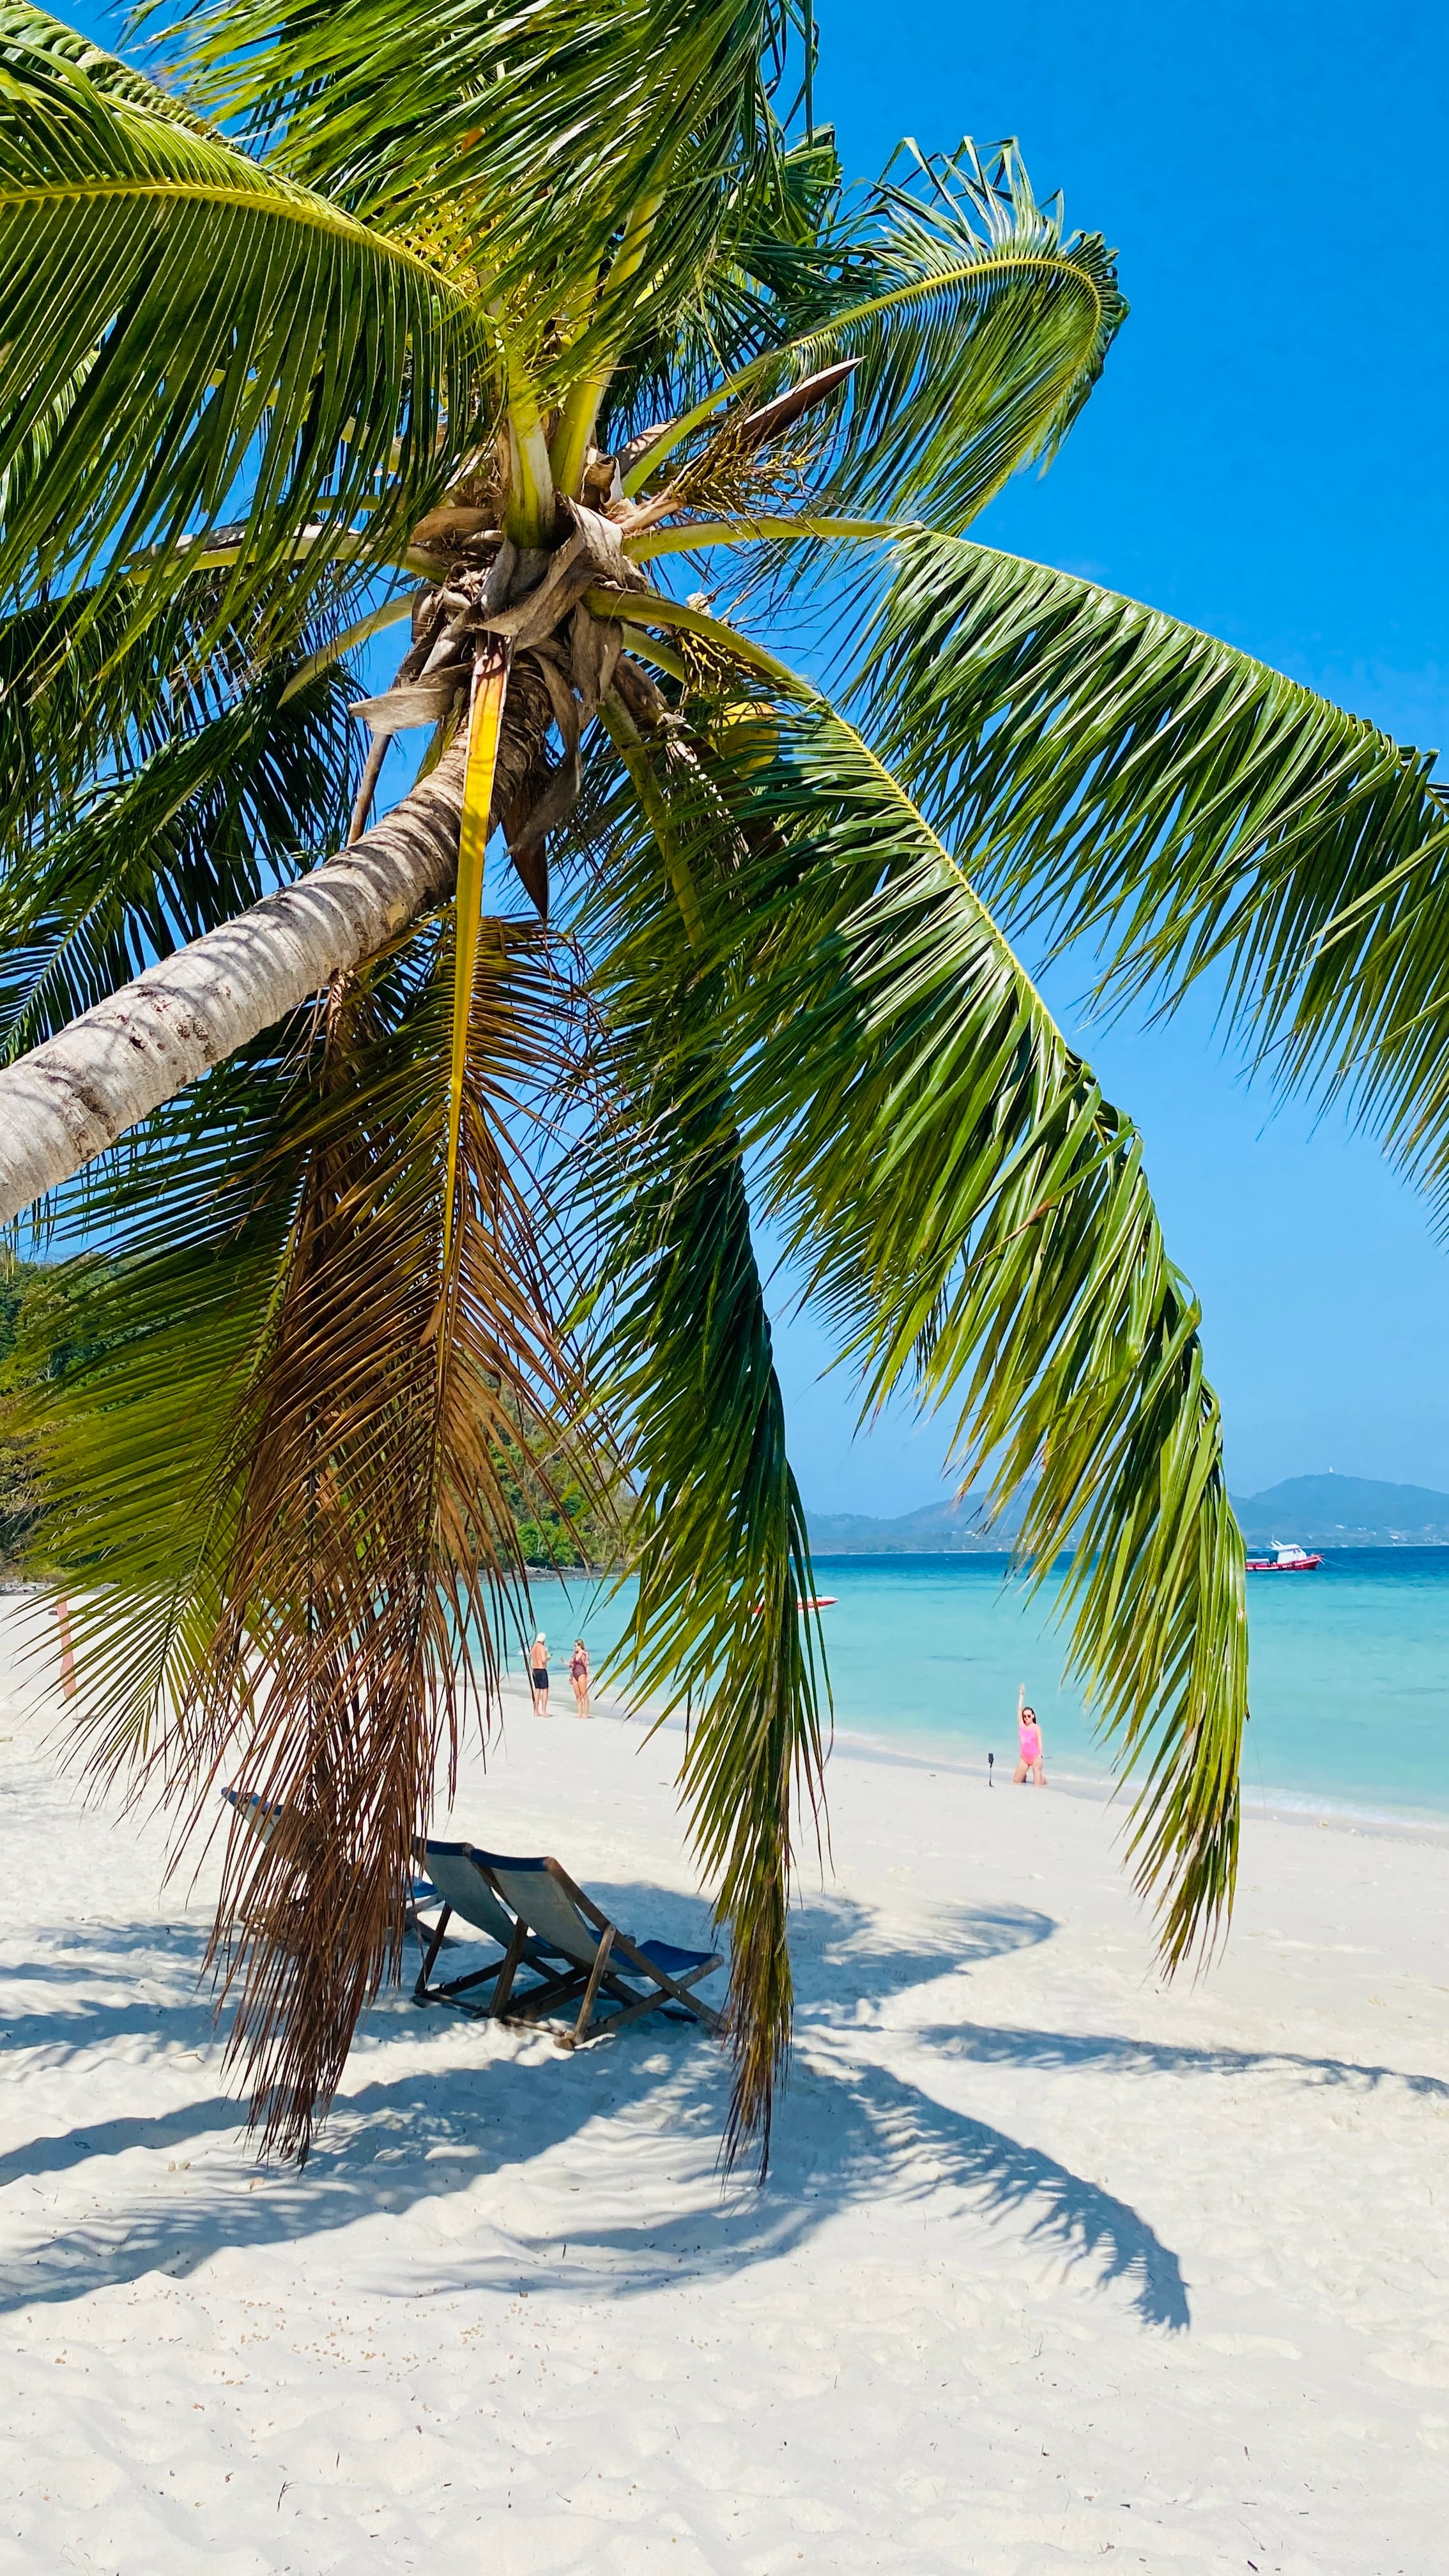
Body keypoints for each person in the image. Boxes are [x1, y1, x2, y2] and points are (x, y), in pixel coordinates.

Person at [1014, 1685, 1046, 1786]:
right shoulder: (1022, 1726)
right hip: (1024, 1758)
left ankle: (1043, 1780)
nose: (1026, 1718)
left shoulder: (1036, 1727)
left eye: (1029, 1716)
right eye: (1025, 1716)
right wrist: (1022, 1695)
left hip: (1035, 1758)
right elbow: (1019, 1709)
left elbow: (1040, 1742)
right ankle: (1024, 1776)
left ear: (1033, 1716)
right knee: (1016, 1781)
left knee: (1037, 1785)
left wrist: (1040, 1756)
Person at [569, 1638, 590, 1719]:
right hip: (574, 1674)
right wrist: (565, 1663)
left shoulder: (585, 1654)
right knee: (578, 1695)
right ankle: (579, 1713)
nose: (575, 1647)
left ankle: (586, 1713)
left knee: (584, 1695)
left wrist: (588, 1676)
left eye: (576, 1646)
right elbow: (571, 1665)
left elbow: (587, 1666)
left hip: (582, 1674)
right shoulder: (574, 1654)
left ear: (580, 1646)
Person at [528, 1632, 549, 1717]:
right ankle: (544, 1711)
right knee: (545, 1690)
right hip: (541, 1669)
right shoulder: (542, 1648)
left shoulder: (533, 1647)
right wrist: (548, 1658)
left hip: (535, 1669)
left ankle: (536, 1711)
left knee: (537, 1690)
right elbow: (543, 1660)